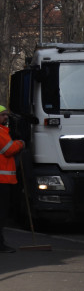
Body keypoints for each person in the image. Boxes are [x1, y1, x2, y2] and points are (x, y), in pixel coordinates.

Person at [0, 105, 26, 253]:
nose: (6, 118)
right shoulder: (0, 132)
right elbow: (9, 150)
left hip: (3, 180)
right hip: (2, 181)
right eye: (3, 115)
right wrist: (20, 143)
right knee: (1, 214)